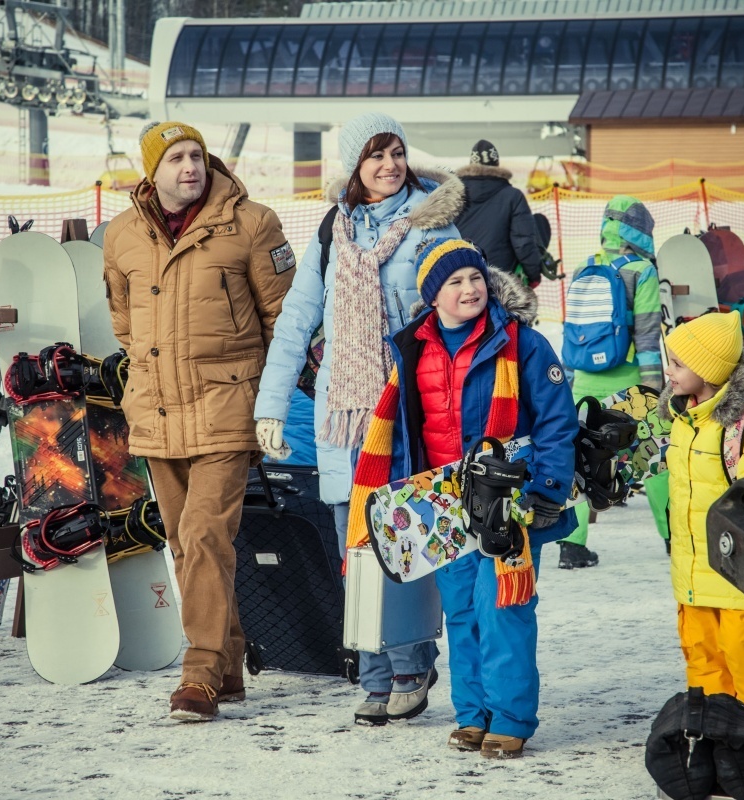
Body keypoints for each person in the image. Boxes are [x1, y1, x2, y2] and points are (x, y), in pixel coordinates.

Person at [253, 111, 464, 726]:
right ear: (355, 165)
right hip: (344, 417)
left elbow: (464, 305)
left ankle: (411, 664)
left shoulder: (432, 223)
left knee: (402, 538)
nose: (390, 165)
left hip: (406, 409)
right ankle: (374, 672)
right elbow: (296, 322)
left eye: (396, 152)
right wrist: (270, 406)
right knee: (355, 546)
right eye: (376, 155)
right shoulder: (332, 230)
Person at [346, 240, 578, 758]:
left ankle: (511, 717)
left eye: (475, 278)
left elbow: (557, 422)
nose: (470, 289)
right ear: (432, 296)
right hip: (443, 506)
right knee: (462, 614)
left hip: (506, 500)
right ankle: (474, 714)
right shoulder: (413, 349)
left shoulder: (521, 343)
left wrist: (547, 489)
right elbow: (406, 431)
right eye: (455, 282)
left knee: (502, 608)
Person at [103, 122, 295, 722]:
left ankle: (201, 674)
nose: (191, 167)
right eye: (177, 158)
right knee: (187, 546)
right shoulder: (122, 235)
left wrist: (271, 401)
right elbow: (125, 324)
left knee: (207, 535)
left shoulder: (253, 224)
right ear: (152, 170)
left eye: (197, 156)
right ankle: (230, 666)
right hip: (157, 411)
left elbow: (284, 320)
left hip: (227, 407)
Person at [658, 311, 744, 732]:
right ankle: (713, 733)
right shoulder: (683, 421)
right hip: (693, 572)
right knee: (702, 654)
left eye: (678, 364)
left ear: (710, 371)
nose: (668, 372)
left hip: (738, 572)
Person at [557, 194, 662, 569]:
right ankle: (674, 538)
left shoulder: (585, 267)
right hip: (630, 378)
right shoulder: (642, 271)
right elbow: (648, 339)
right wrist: (654, 391)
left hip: (584, 380)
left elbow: (574, 332)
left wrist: (568, 382)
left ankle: (572, 546)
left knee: (578, 461)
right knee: (653, 458)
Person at [452, 140, 544, 287]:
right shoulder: (513, 196)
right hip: (501, 281)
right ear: (496, 164)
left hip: (461, 279)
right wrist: (533, 274)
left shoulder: (453, 195)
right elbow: (523, 241)